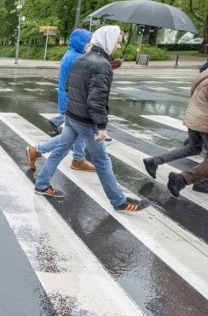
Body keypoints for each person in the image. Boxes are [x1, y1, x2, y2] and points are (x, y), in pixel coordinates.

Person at [33, 25, 150, 211]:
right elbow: (97, 99)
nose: (118, 47)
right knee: (103, 161)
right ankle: (119, 201)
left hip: (72, 116)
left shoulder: (82, 58)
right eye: (118, 42)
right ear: (108, 41)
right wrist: (102, 126)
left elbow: (68, 87)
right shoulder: (101, 65)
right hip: (86, 121)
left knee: (60, 150)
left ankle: (41, 184)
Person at [26, 29, 96, 172]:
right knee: (75, 134)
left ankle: (78, 159)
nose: (90, 46)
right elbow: (88, 76)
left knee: (77, 134)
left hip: (71, 100)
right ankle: (37, 151)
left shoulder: (73, 55)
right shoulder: (76, 58)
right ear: (80, 43)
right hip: (74, 102)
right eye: (88, 43)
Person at [142, 68, 208, 196]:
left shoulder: (205, 73)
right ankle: (182, 179)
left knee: (193, 148)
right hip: (204, 122)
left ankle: (154, 161)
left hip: (194, 118)